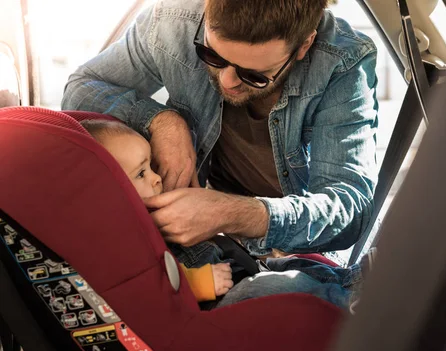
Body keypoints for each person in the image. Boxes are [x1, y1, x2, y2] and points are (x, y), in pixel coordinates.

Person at [62, 0, 379, 257]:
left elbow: (350, 210)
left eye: (255, 75)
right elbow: (80, 90)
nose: (227, 81)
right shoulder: (173, 22)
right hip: (203, 241)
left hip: (299, 251)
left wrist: (232, 216)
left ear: (304, 44)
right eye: (212, 55)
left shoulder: (343, 64)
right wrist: (162, 121)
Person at [80, 119, 361, 309]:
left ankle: (353, 282)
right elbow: (143, 292)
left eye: (152, 166)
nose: (157, 178)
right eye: (141, 173)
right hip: (218, 306)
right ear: (108, 196)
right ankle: (346, 304)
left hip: (238, 270)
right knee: (274, 287)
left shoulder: (150, 220)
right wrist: (198, 284)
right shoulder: (120, 245)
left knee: (294, 267)